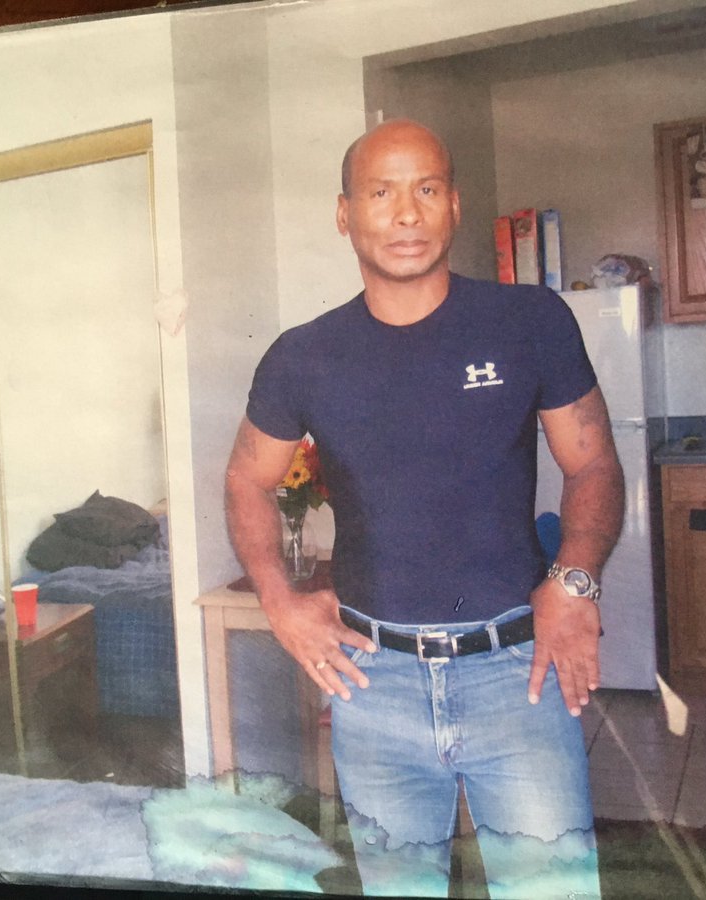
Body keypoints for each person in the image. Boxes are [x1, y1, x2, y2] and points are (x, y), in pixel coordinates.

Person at [224, 118, 623, 898]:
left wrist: (575, 580)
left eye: (427, 189)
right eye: (381, 193)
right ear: (345, 214)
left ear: (454, 206)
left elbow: (593, 462)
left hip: (519, 674)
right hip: (375, 687)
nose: (406, 213)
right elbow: (246, 478)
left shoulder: (529, 322)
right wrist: (278, 599)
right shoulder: (303, 357)